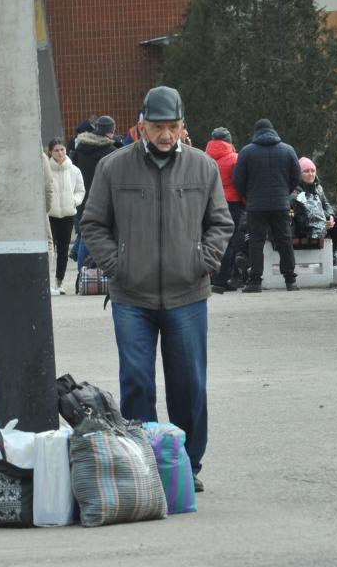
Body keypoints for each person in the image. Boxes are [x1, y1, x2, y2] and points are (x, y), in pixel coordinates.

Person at [80, 86, 233, 493]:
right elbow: (92, 223)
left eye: (172, 127)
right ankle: (143, 461)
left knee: (189, 384)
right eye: (156, 127)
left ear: (183, 127)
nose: (164, 135)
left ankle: (187, 465)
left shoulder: (203, 168)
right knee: (136, 383)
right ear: (141, 126)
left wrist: (205, 261)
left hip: (188, 295)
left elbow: (220, 223)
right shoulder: (114, 168)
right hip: (132, 297)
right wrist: (117, 265)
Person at [232, 118, 300, 292]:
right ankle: (290, 280)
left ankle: (255, 281)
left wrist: (248, 196)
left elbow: (238, 179)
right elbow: (296, 177)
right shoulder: (288, 150)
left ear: (256, 132)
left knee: (256, 242)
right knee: (285, 240)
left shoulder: (247, 152)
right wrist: (285, 193)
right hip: (281, 204)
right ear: (273, 130)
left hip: (256, 206)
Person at [70, 115, 119, 265]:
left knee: (86, 234)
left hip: (83, 197)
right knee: (100, 235)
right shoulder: (110, 151)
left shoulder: (80, 147)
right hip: (102, 198)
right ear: (111, 131)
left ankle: (81, 274)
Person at [205, 127, 243, 292]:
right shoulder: (235, 158)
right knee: (230, 242)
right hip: (232, 203)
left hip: (209, 203)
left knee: (211, 240)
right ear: (229, 140)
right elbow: (240, 183)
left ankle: (210, 276)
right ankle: (223, 279)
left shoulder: (204, 158)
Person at [45, 138, 85, 295]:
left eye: (62, 149)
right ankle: (47, 283)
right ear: (50, 152)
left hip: (68, 215)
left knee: (63, 250)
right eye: (56, 150)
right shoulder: (46, 169)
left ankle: (59, 282)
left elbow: (80, 190)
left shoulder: (74, 170)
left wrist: (73, 201)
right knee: (50, 250)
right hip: (51, 215)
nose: (60, 153)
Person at [292, 157, 335, 240]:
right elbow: (298, 211)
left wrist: (330, 216)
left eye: (313, 171)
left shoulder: (318, 188)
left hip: (320, 223)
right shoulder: (294, 189)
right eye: (306, 171)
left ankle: (334, 250)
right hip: (303, 225)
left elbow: (326, 205)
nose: (310, 174)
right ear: (299, 174)